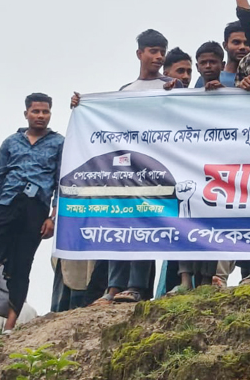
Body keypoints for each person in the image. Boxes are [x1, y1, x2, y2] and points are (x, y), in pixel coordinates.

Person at [73, 29, 182, 304]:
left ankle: (136, 286)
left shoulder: (172, 86)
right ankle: (113, 286)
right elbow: (108, 122)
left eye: (161, 51)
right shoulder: (125, 92)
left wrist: (176, 93)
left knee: (144, 223)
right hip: (124, 169)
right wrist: (81, 106)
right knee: (119, 221)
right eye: (153, 51)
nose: (158, 56)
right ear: (139, 54)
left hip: (155, 168)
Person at [0, 93, 63, 334]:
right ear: (26, 113)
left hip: (35, 210)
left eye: (45, 112)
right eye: (36, 111)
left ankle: (10, 326)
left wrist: (53, 217)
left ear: (50, 114)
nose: (40, 116)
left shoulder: (59, 143)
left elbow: (61, 182)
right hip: (5, 206)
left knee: (21, 265)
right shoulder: (11, 142)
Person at [193, 22, 249, 88]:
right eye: (236, 42)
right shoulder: (205, 78)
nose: (242, 47)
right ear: (225, 45)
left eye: (247, 43)